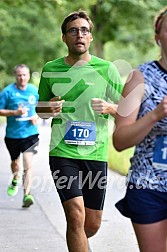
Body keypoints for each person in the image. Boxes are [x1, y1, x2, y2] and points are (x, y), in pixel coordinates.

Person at [36, 10, 123, 252]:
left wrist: (110, 107)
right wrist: (48, 107)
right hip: (62, 152)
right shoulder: (51, 69)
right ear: (64, 37)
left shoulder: (106, 69)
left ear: (91, 38)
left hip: (95, 154)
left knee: (90, 224)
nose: (79, 35)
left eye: (84, 30)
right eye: (73, 30)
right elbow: (40, 109)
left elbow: (128, 108)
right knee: (75, 216)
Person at [113, 7, 167, 252]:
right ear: (158, 36)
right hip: (149, 184)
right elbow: (120, 140)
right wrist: (156, 114)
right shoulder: (139, 78)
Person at [0, 64, 39, 208]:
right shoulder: (7, 92)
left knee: (28, 164)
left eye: (24, 75)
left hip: (30, 133)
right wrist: (14, 113)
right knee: (15, 164)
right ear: (15, 76)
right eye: (19, 75)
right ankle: (15, 178)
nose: (22, 77)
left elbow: (41, 109)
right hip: (13, 135)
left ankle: (27, 195)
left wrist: (36, 116)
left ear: (28, 76)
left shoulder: (34, 91)